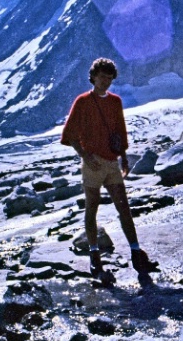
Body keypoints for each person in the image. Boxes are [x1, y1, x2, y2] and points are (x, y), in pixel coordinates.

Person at [61, 57, 159, 281]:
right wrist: (85, 156)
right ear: (93, 77)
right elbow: (71, 135)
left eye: (109, 78)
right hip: (93, 162)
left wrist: (123, 157)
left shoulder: (115, 102)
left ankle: (136, 252)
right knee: (92, 209)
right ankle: (95, 256)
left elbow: (119, 132)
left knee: (123, 207)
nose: (105, 82)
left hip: (112, 162)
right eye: (101, 77)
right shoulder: (83, 101)